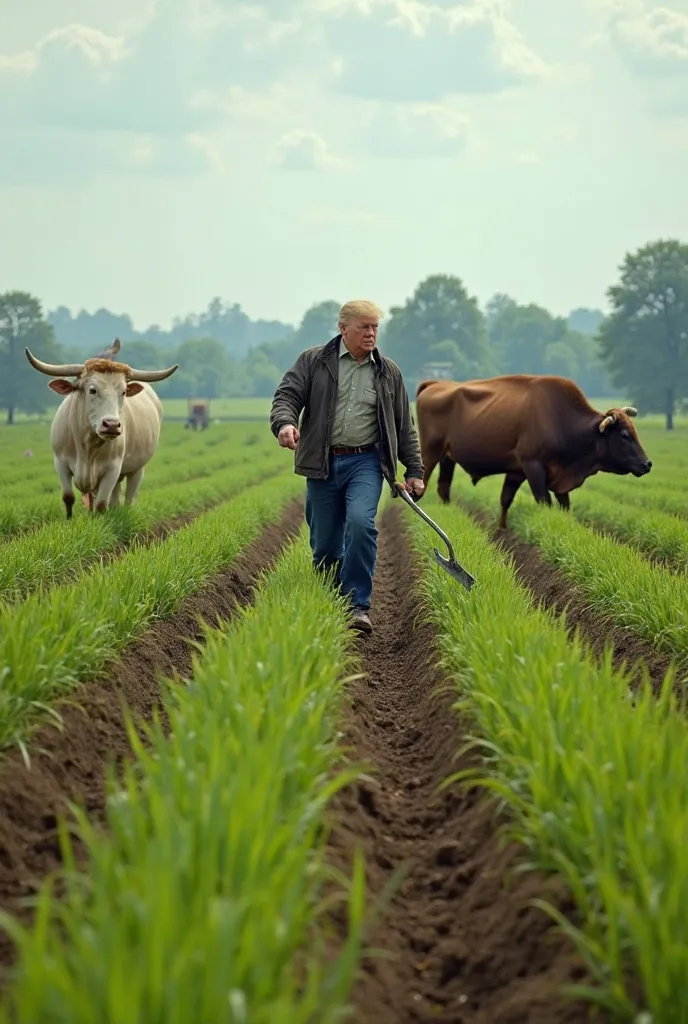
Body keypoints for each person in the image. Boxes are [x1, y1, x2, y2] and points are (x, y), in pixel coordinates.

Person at [269, 299, 425, 634]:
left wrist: (414, 470)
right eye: (364, 327)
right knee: (325, 545)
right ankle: (329, 598)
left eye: (375, 327)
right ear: (343, 328)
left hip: (365, 462)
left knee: (360, 522)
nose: (371, 334)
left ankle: (357, 603)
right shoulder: (314, 362)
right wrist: (284, 423)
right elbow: (287, 396)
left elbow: (403, 427)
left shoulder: (388, 373)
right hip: (322, 462)